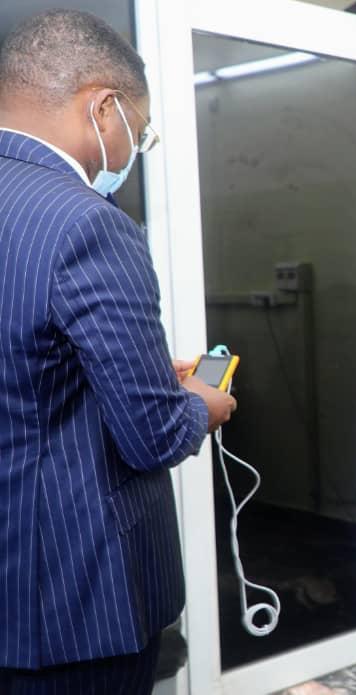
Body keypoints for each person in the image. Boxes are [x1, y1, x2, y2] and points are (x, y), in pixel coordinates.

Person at [0, 10, 235, 694]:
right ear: (102, 108)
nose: (135, 150)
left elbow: (25, 371)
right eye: (140, 128)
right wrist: (202, 402)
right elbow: (153, 434)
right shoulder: (87, 224)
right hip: (69, 606)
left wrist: (140, 375)